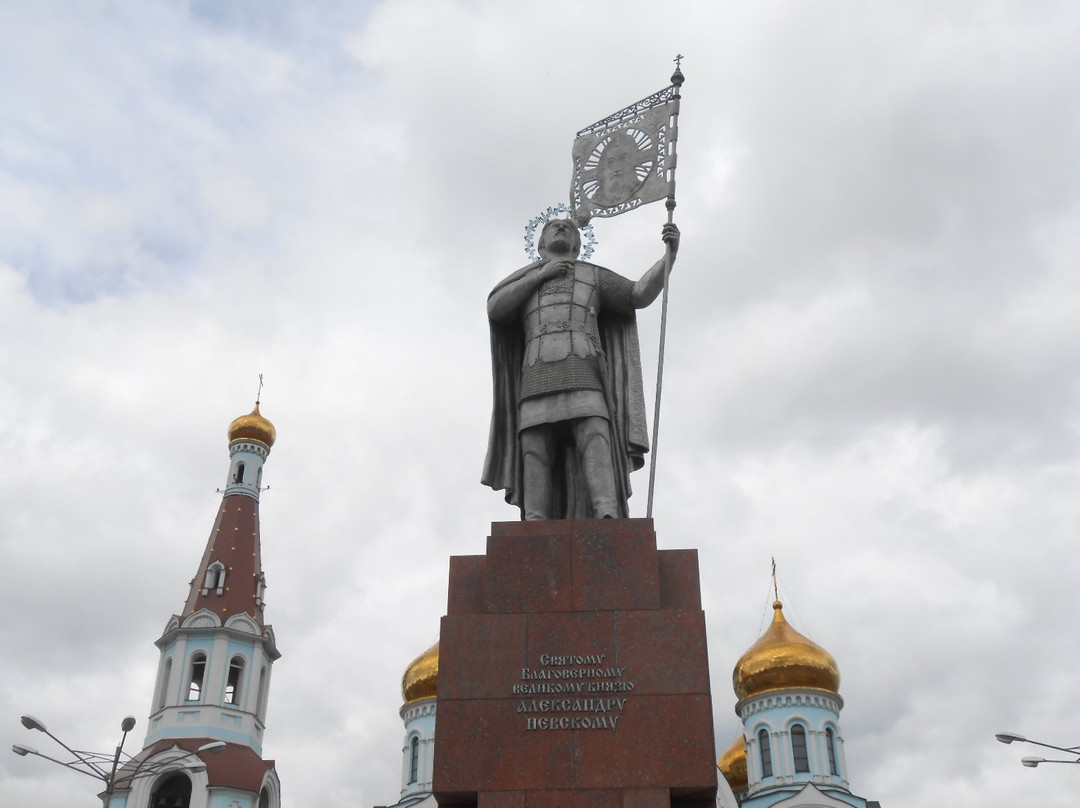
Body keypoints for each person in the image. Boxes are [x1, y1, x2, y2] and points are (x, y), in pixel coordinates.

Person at [482, 218, 679, 520]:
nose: (561, 228)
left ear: (577, 243)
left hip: (583, 370)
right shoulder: (525, 280)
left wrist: (669, 257)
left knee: (595, 437)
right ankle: (535, 520)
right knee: (534, 448)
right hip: (536, 373)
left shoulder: (593, 276)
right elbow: (496, 308)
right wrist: (539, 276)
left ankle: (606, 513)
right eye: (553, 226)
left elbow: (637, 295)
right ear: (541, 243)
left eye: (568, 228)